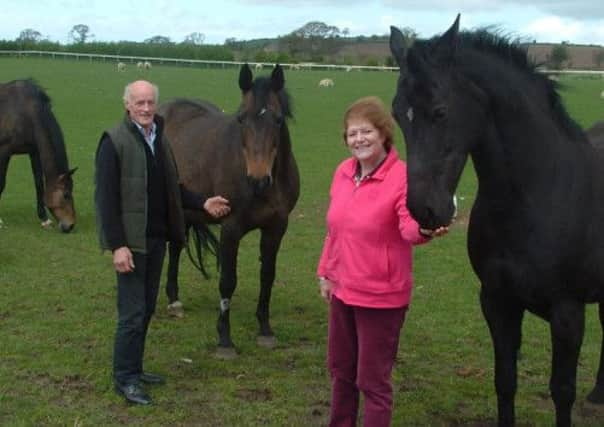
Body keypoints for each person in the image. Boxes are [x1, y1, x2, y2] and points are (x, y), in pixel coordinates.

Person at [95, 80, 230, 405]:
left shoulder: (158, 139)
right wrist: (117, 245)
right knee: (131, 313)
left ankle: (135, 369)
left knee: (147, 309)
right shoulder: (113, 142)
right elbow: (105, 200)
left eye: (150, 102)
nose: (145, 108)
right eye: (139, 103)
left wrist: (202, 203)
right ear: (127, 105)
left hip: (155, 239)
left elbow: (173, 187)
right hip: (131, 243)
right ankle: (124, 378)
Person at [317, 96, 448, 426]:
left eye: (366, 132)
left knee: (372, 383)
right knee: (341, 372)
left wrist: (424, 229)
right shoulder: (343, 172)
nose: (358, 140)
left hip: (380, 297)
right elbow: (335, 230)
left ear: (383, 134)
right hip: (343, 291)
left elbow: (407, 225)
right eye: (352, 134)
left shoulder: (402, 177)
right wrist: (326, 272)